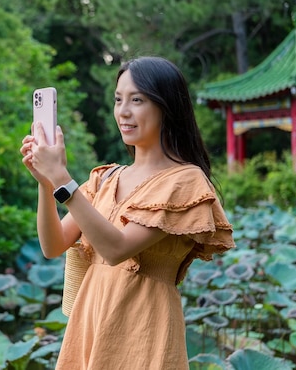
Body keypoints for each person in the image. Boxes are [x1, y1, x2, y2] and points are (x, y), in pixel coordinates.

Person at [20, 56, 235, 369]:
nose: (123, 111)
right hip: (91, 318)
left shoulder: (186, 182)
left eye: (137, 100)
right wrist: (46, 182)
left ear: (167, 107)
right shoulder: (105, 178)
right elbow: (52, 246)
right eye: (118, 99)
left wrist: (64, 180)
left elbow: (116, 248)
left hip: (144, 327)